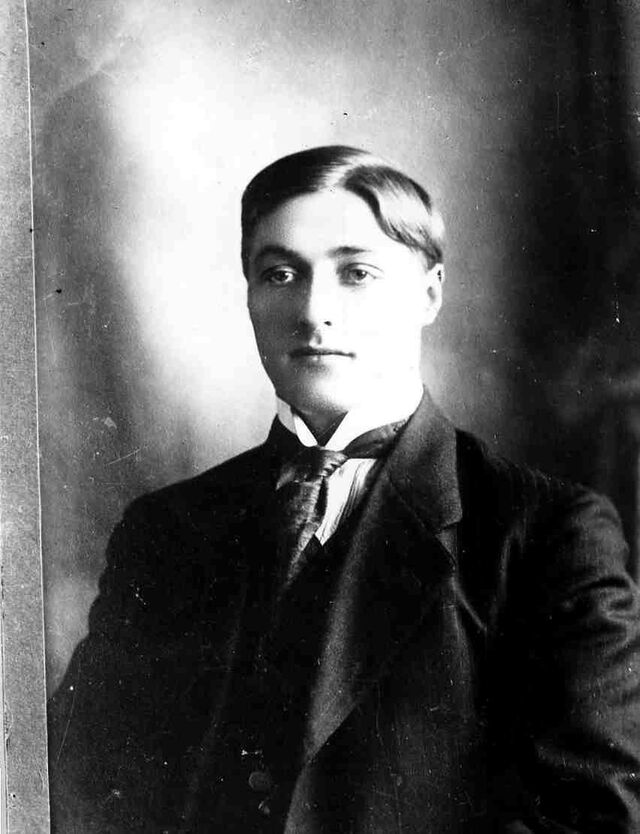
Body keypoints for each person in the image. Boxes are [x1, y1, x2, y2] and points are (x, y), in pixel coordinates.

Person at [48, 146, 640, 833]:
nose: (313, 310)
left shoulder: (544, 533)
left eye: (356, 272)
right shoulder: (166, 530)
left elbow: (592, 816)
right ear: (248, 296)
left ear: (429, 293)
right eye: (280, 273)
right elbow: (80, 787)